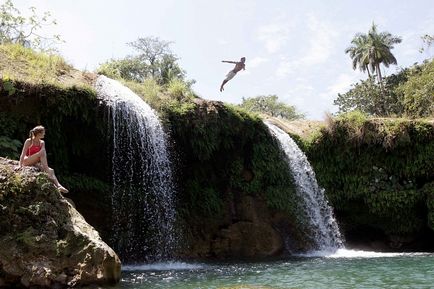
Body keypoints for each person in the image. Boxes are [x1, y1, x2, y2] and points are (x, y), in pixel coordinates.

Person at [18, 125, 69, 194]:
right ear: (39, 134)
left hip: (35, 162)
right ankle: (46, 168)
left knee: (51, 170)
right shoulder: (29, 141)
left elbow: (43, 155)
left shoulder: (42, 142)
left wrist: (41, 164)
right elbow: (23, 154)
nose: (44, 134)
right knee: (42, 153)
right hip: (26, 161)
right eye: (43, 132)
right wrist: (19, 165)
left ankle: (59, 185)